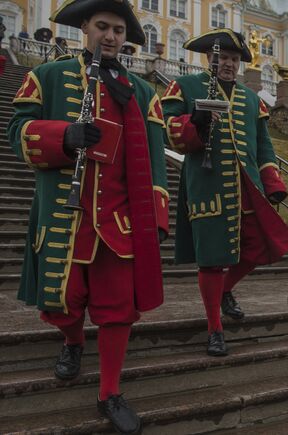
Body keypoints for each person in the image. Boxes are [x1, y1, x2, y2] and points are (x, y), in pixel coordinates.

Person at [7, 1, 169, 433]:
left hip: (119, 223)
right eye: (103, 27)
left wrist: (155, 219)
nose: (112, 36)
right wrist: (63, 136)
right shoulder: (47, 76)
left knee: (118, 311)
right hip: (65, 215)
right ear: (85, 28)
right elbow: (15, 132)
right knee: (62, 301)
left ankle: (110, 391)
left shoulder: (143, 92)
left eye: (119, 30)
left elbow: (156, 162)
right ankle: (73, 342)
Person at [162, 29, 288, 355]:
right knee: (210, 261)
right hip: (206, 186)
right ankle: (214, 329)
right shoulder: (187, 86)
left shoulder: (252, 101)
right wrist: (194, 123)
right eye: (223, 57)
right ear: (211, 57)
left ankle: (224, 290)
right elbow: (168, 132)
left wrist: (273, 183)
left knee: (257, 249)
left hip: (247, 189)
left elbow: (264, 148)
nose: (228, 64)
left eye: (234, 60)